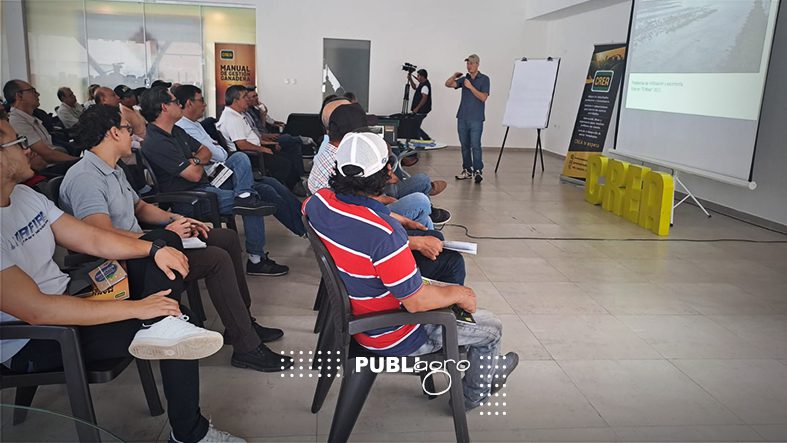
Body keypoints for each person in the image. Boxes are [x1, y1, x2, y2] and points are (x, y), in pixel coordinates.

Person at [0, 114, 245, 443]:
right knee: (178, 323)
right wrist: (138, 308)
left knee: (165, 257)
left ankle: (163, 325)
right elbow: (37, 311)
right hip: (35, 339)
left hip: (70, 298)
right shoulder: (83, 177)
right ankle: (189, 433)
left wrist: (155, 248)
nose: (29, 149)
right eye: (18, 143)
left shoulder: (25, 197)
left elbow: (92, 239)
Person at [60, 104, 295, 372]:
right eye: (128, 129)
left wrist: (174, 220)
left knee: (226, 238)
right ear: (113, 133)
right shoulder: (86, 177)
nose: (132, 136)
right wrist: (159, 236)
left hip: (143, 245)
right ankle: (247, 347)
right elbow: (100, 235)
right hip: (120, 264)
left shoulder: (113, 169)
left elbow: (140, 207)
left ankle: (241, 323)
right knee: (216, 259)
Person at [303, 131, 518, 411]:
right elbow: (416, 302)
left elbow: (352, 214)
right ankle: (473, 395)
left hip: (359, 312)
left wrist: (395, 220)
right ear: (386, 172)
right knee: (492, 328)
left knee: (446, 267)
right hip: (395, 333)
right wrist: (459, 293)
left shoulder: (318, 202)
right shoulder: (384, 235)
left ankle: (470, 362)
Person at [140, 86, 295, 276]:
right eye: (175, 102)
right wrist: (198, 161)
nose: (180, 105)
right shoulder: (156, 141)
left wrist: (195, 160)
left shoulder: (176, 131)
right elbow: (194, 175)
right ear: (164, 107)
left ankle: (245, 196)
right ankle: (256, 259)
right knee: (255, 200)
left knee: (239, 159)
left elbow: (205, 151)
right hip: (192, 198)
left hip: (207, 185)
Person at [309, 99, 450, 227]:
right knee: (420, 201)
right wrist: (382, 200)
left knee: (424, 215)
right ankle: (428, 211)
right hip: (359, 221)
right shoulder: (344, 161)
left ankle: (427, 216)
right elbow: (355, 208)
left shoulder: (334, 153)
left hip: (360, 208)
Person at [217, 85, 303, 194]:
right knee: (284, 164)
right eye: (245, 97)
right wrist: (263, 149)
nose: (248, 99)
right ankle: (282, 191)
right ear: (236, 101)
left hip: (255, 149)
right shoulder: (232, 118)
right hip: (250, 155)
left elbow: (251, 137)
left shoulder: (238, 115)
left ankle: (294, 186)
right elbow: (242, 145)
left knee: (287, 156)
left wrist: (269, 143)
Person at [3, 80, 79, 173]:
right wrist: (78, 161)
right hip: (50, 169)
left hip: (58, 159)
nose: (38, 94)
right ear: (19, 96)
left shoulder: (32, 116)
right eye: (33, 91)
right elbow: (47, 155)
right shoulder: (17, 121)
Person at [445, 54, 490, 184]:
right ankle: (467, 170)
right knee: (465, 146)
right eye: (467, 63)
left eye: (471, 63)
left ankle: (478, 171)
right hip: (462, 117)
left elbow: (483, 97)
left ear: (477, 64)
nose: (469, 66)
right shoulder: (465, 79)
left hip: (476, 118)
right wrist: (454, 76)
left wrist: (470, 87)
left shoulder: (484, 79)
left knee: (475, 145)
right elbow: (448, 84)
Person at [408, 68, 433, 142]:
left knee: (415, 127)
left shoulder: (425, 86)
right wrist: (410, 79)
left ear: (422, 76)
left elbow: (424, 98)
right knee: (415, 126)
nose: (417, 77)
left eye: (418, 76)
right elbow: (414, 87)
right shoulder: (422, 84)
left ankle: (425, 139)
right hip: (420, 110)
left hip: (421, 111)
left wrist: (417, 108)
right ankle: (426, 139)